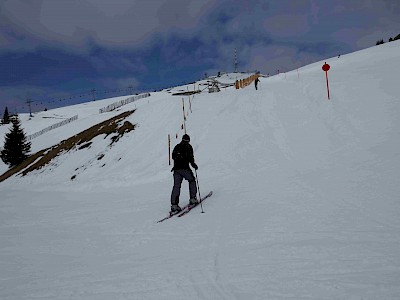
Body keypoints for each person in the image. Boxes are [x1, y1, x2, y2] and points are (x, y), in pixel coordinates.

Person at [170, 134, 198, 213]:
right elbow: (191, 158)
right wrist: (194, 165)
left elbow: (173, 156)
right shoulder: (189, 147)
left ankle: (174, 205)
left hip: (176, 170)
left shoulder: (177, 146)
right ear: (188, 140)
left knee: (176, 186)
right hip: (185, 169)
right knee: (192, 180)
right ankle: (193, 199)